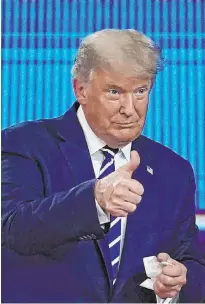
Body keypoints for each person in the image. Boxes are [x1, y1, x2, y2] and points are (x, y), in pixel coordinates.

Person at [1, 29, 205, 303]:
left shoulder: (174, 170)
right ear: (80, 89)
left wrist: (178, 281)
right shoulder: (24, 143)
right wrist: (94, 200)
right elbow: (11, 229)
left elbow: (191, 260)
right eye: (114, 92)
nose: (130, 109)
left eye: (140, 91)